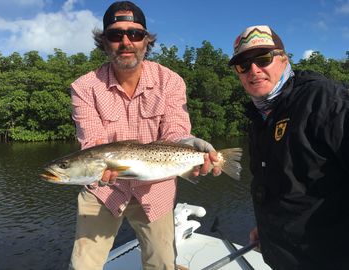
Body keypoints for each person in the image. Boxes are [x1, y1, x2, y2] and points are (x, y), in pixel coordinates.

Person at [68, 2, 219, 270]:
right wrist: (97, 169)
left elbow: (175, 133)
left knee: (161, 264)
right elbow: (92, 145)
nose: (126, 42)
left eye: (135, 34)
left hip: (156, 188)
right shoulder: (84, 87)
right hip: (103, 190)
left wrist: (189, 147)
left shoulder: (171, 81)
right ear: (104, 43)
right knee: (81, 266)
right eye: (115, 35)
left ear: (146, 41)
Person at [228, 25, 349, 270]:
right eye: (243, 64)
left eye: (263, 59)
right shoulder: (260, 116)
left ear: (284, 59)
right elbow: (280, 186)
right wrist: (267, 229)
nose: (254, 70)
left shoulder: (327, 101)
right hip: (281, 256)